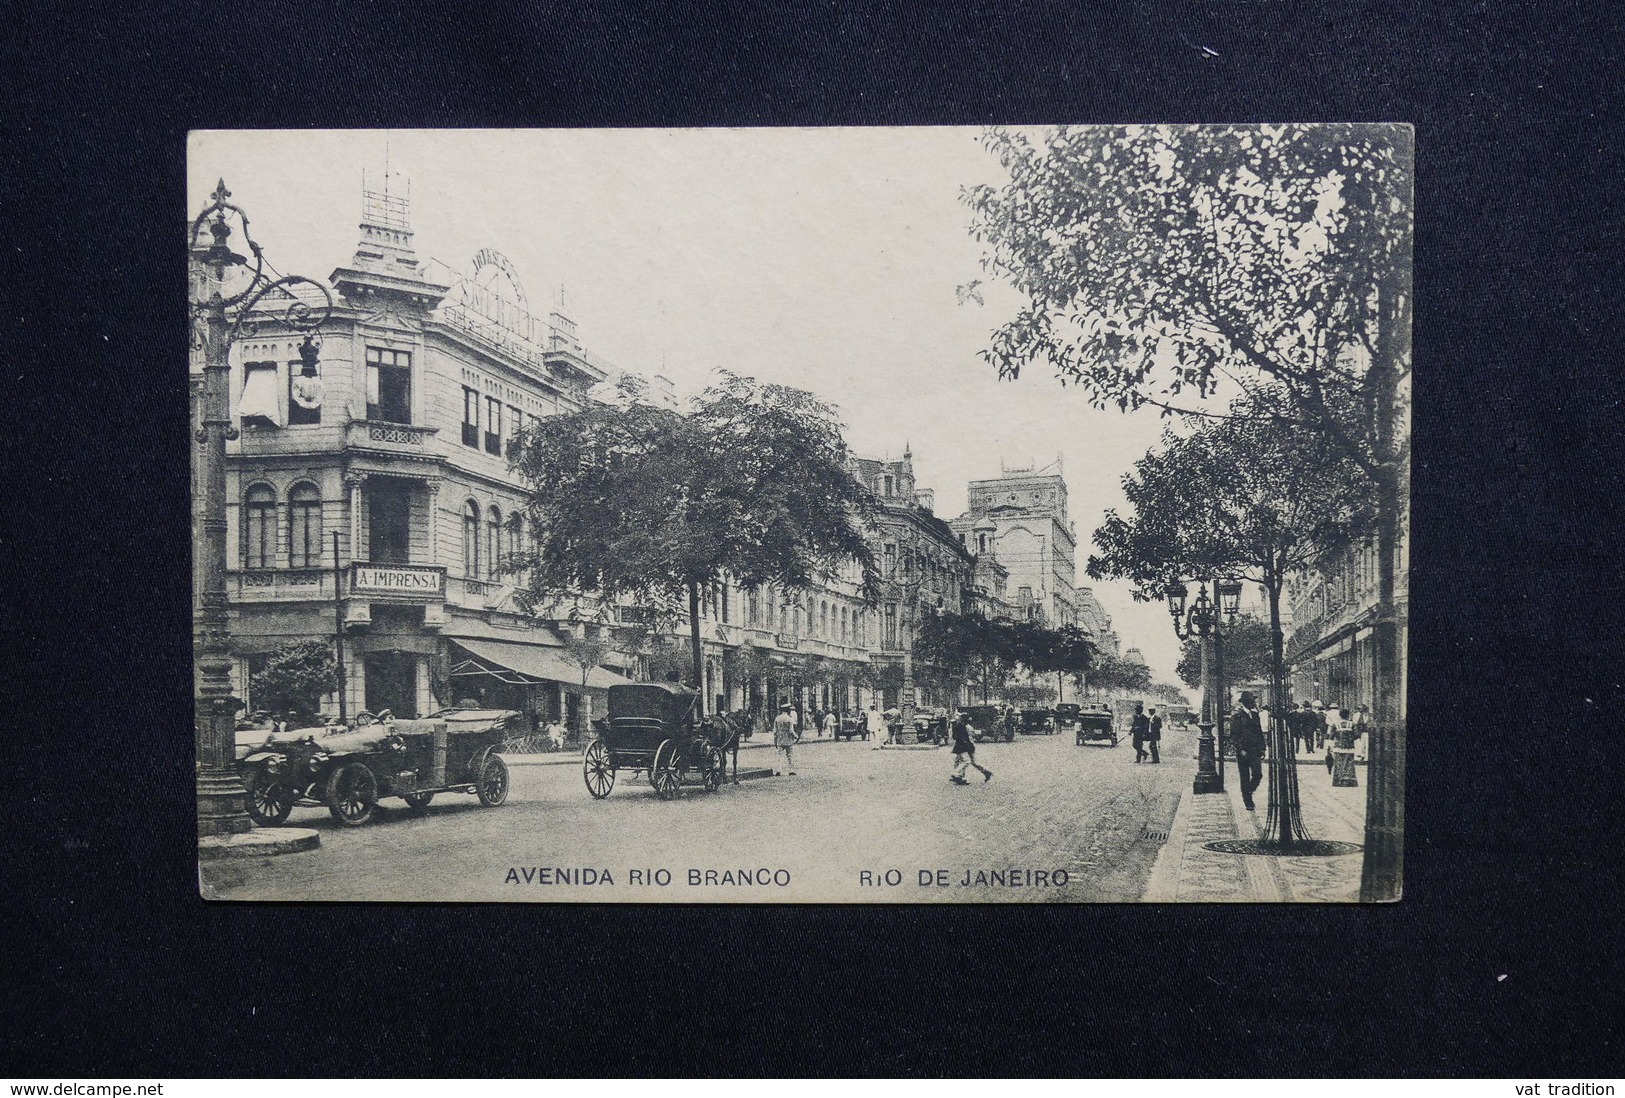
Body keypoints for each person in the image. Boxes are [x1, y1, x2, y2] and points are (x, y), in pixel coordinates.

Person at [1231, 690, 1266, 811]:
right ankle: (1247, 801)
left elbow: (1259, 732)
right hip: (1244, 751)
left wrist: (1263, 748)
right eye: (1252, 701)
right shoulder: (1237, 716)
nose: (1254, 703)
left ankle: (1249, 791)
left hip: (1255, 750)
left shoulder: (1255, 715)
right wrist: (1240, 749)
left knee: (1258, 774)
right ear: (1246, 702)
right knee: (1244, 777)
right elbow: (1234, 735)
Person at [949, 710, 992, 785]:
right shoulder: (965, 727)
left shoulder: (964, 726)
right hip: (965, 745)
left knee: (965, 761)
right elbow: (970, 735)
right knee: (966, 761)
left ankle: (958, 775)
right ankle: (959, 776)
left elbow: (956, 736)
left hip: (966, 746)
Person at [772, 702, 799, 776]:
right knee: (790, 756)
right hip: (788, 741)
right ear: (787, 710)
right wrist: (796, 737)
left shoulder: (777, 718)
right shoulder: (789, 719)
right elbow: (791, 731)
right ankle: (791, 770)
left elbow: (775, 731)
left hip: (780, 740)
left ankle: (778, 770)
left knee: (779, 756)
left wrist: (775, 740)